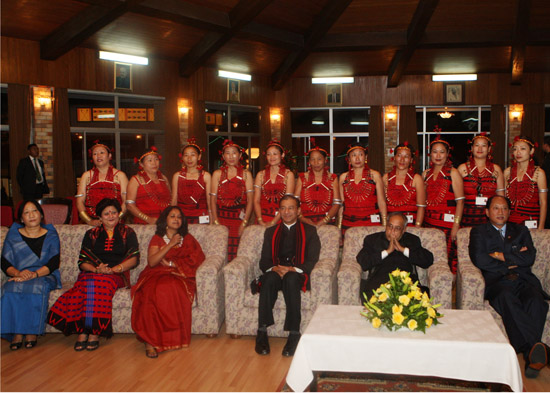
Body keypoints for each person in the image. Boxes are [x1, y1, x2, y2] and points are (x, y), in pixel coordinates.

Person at [469, 195, 549, 378]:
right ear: (487, 211)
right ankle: (535, 349)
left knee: (536, 300)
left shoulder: (521, 231)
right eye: (496, 208)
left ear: (509, 212)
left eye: (504, 208)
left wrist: (501, 256)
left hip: (523, 279)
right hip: (497, 282)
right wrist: (513, 259)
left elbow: (530, 258)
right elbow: (480, 259)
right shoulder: (478, 232)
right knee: (506, 297)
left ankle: (532, 355)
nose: (500, 212)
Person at [47, 198, 139, 351]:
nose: (111, 216)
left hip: (117, 274)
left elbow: (134, 258)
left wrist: (116, 268)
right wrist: (97, 270)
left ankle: (92, 332)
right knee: (90, 282)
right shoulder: (91, 234)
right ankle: (85, 330)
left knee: (98, 283)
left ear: (119, 214)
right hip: (93, 272)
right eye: (106, 214)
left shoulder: (128, 232)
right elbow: (82, 262)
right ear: (100, 217)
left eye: (114, 213)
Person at [131, 206, 205, 358]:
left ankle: (169, 338)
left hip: (179, 276)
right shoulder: (157, 238)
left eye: (179, 217)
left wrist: (174, 265)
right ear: (165, 220)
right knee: (150, 293)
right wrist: (170, 244)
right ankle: (149, 341)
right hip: (155, 274)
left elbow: (197, 260)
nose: (176, 219)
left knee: (169, 288)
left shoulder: (188, 239)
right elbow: (152, 262)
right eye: (172, 216)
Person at [255, 195, 321, 357]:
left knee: (291, 280)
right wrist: (275, 268)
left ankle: (294, 333)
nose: (287, 212)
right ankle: (262, 332)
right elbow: (264, 261)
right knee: (268, 279)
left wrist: (293, 269)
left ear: (298, 211)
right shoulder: (271, 232)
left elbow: (312, 260)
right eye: (283, 208)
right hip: (276, 272)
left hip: (297, 274)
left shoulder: (310, 231)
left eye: (291, 208)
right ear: (279, 211)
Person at [1, 200, 61, 350]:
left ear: (41, 215)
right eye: (26, 213)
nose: (31, 215)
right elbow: (4, 262)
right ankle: (17, 332)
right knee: (9, 288)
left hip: (44, 275)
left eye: (34, 211)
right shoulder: (13, 234)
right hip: (19, 274)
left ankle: (30, 331)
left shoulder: (51, 234)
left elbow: (54, 262)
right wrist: (19, 273)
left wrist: (34, 274)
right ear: (21, 219)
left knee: (35, 286)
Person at [356, 211, 433, 296]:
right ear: (386, 226)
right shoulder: (372, 240)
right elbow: (363, 262)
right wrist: (386, 252)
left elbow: (428, 260)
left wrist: (403, 250)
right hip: (379, 286)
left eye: (397, 228)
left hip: (406, 286)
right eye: (390, 226)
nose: (392, 231)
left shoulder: (412, 240)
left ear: (404, 230)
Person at [422, 136, 464, 274]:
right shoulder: (425, 174)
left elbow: (460, 201)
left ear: (447, 154)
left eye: (442, 152)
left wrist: (456, 225)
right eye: (435, 152)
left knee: (447, 260)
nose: (438, 155)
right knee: (430, 258)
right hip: (429, 224)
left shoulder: (453, 173)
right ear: (430, 154)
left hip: (447, 225)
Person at [210, 139, 254, 261]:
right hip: (222, 218)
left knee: (237, 254)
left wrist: (244, 223)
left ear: (240, 155)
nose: (231, 156)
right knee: (220, 253)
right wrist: (216, 221)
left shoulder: (246, 174)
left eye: (234, 153)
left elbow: (250, 201)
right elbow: (212, 199)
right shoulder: (217, 174)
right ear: (223, 156)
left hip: (238, 220)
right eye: (227, 153)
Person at [75, 141, 128, 226]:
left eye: (102, 153)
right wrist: (89, 221)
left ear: (109, 156)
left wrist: (115, 219)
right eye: (95, 154)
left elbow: (126, 201)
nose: (98, 156)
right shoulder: (86, 175)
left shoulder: (120, 175)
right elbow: (79, 201)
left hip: (115, 223)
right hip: (92, 223)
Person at [458, 133, 505, 227]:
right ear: (471, 148)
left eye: (483, 146)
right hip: (466, 218)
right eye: (477, 145)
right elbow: (457, 199)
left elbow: (501, 198)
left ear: (489, 149)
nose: (480, 149)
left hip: (490, 220)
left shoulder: (496, 169)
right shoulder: (462, 168)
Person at [339, 142, 387, 233]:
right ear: (349, 159)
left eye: (361, 154)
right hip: (349, 224)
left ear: (365, 157)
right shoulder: (343, 178)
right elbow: (342, 204)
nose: (357, 158)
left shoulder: (375, 175)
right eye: (353, 155)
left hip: (371, 223)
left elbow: (381, 201)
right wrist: (339, 226)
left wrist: (384, 224)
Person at [294, 141, 341, 226]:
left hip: (327, 223)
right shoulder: (302, 177)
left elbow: (337, 203)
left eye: (319, 159)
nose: (316, 163)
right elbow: (295, 201)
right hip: (304, 222)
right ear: (309, 161)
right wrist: (302, 218)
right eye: (312, 159)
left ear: (325, 160)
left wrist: (324, 221)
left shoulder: (333, 178)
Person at [505, 135, 547, 229]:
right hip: (510, 222)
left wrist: (541, 227)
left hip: (531, 222)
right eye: (515, 149)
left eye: (523, 149)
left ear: (531, 151)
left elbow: (543, 202)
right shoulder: (508, 172)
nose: (518, 152)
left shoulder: (538, 173)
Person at [383, 142, 426, 227]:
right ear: (394, 158)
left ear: (411, 160)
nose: (402, 160)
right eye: (399, 155)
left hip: (411, 225)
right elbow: (382, 204)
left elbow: (421, 206)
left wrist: (417, 226)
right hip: (391, 226)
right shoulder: (386, 178)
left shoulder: (417, 179)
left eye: (406, 156)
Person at [254, 139, 295, 227]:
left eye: (275, 154)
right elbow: (256, 200)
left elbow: (287, 202)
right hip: (262, 217)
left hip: (282, 217)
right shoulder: (260, 175)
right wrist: (260, 220)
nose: (272, 157)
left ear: (282, 155)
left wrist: (273, 222)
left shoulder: (288, 175)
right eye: (269, 154)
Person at [126, 146, 171, 224]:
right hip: (144, 224)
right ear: (141, 164)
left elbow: (170, 200)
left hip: (165, 223)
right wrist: (148, 219)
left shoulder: (164, 178)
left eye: (156, 159)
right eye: (149, 160)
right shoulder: (135, 180)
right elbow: (130, 205)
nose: (154, 163)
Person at [171, 138, 212, 224]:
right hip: (182, 219)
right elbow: (174, 200)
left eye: (192, 155)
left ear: (199, 156)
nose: (189, 158)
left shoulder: (206, 176)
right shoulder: (177, 176)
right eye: (186, 155)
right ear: (182, 157)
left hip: (201, 218)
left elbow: (209, 201)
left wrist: (211, 221)